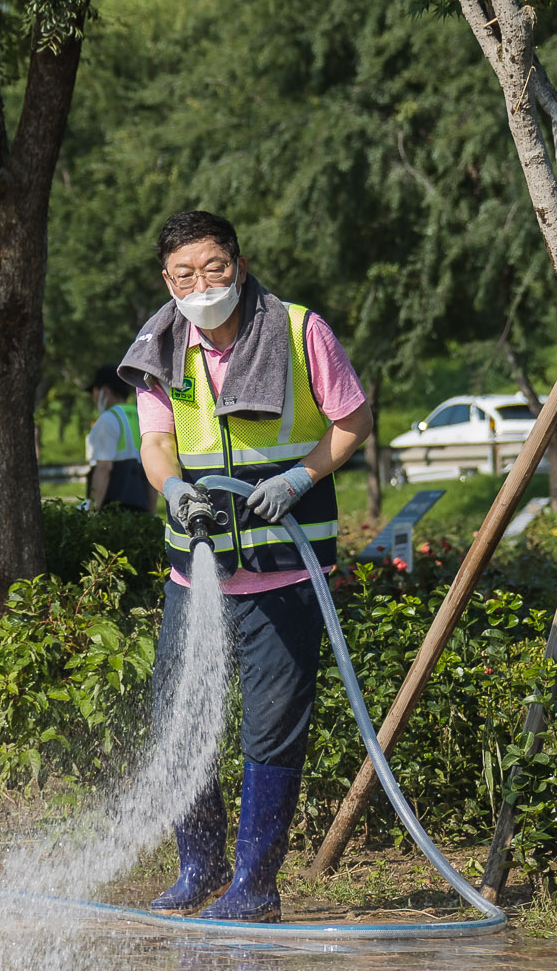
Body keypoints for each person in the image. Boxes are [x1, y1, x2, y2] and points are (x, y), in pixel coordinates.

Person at [118, 210, 375, 923]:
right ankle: (199, 867)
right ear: (165, 280)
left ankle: (255, 885)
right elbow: (157, 440)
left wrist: (300, 477)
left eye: (213, 268)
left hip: (284, 571)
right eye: (183, 274)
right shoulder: (160, 345)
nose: (201, 285)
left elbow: (352, 419)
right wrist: (171, 487)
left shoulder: (298, 330)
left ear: (237, 260)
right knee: (178, 714)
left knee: (271, 725)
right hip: (195, 572)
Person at [85, 366, 153, 513]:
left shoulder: (108, 419)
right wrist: (152, 513)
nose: (93, 398)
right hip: (141, 503)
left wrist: (92, 512)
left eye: (94, 392)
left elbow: (104, 467)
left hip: (114, 506)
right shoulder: (140, 415)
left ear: (105, 391)